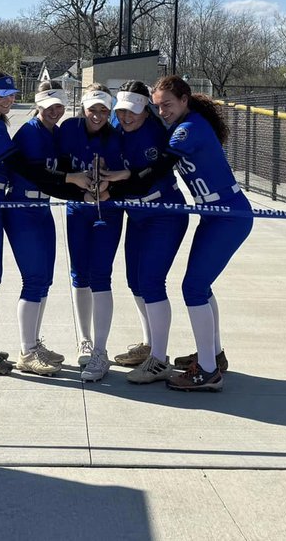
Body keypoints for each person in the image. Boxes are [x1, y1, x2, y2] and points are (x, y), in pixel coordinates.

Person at [113, 75, 253, 392]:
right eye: (158, 106)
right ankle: (213, 355)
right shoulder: (182, 123)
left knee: (193, 287)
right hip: (213, 213)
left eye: (169, 105)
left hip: (229, 214)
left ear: (185, 100)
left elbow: (159, 168)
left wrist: (123, 177)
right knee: (200, 286)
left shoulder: (188, 128)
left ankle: (207, 371)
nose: (163, 112)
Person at [0, 69, 94, 376]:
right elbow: (20, 166)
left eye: (12, 94)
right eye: (2, 95)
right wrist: (69, 178)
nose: (9, 100)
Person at [105, 81, 189, 384]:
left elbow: (142, 181)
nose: (126, 117)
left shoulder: (156, 133)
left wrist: (115, 181)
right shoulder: (116, 124)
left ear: (146, 110)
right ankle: (149, 344)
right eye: (122, 111)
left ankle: (160, 359)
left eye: (134, 112)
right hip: (136, 214)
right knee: (134, 281)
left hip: (163, 213)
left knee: (152, 282)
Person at [55, 83, 125, 382]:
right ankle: (84, 339)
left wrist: (110, 187)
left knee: (101, 275)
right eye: (92, 109)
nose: (97, 115)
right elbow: (55, 169)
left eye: (103, 110)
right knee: (79, 274)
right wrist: (73, 186)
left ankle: (100, 349)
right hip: (77, 210)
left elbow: (130, 173)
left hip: (107, 211)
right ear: (83, 109)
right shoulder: (69, 129)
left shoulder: (118, 135)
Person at [3, 82, 70, 375]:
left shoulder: (54, 133)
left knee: (44, 280)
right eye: (50, 106)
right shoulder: (30, 132)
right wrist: (72, 180)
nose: (55, 111)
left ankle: (33, 343)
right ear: (39, 105)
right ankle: (27, 352)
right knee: (33, 279)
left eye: (60, 106)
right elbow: (43, 175)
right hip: (23, 209)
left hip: (41, 209)